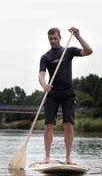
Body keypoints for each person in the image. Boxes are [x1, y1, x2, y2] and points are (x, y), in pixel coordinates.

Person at [39, 27, 93, 164]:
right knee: (49, 125)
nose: (52, 41)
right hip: (52, 93)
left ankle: (68, 157)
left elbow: (89, 51)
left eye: (55, 38)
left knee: (68, 124)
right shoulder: (45, 57)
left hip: (68, 93)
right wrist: (44, 85)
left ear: (60, 38)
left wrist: (78, 36)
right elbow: (41, 75)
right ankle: (47, 157)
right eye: (50, 39)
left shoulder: (68, 52)